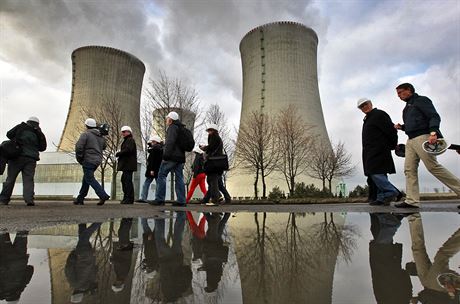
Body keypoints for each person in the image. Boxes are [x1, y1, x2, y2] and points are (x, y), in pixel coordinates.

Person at [394, 83, 460, 208]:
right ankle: (411, 201)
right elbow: (413, 124)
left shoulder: (421, 100)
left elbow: (434, 116)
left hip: (423, 137)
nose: (399, 96)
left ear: (409, 90)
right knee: (409, 170)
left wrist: (433, 132)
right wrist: (402, 127)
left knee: (433, 167)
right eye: (397, 93)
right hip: (410, 140)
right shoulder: (406, 108)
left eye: (400, 92)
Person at [406, 213, 460, 303]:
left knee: (418, 250)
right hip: (439, 288)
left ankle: (413, 217)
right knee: (442, 255)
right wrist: (453, 293)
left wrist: (418, 299)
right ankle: (413, 217)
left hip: (426, 285)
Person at [357, 98, 401, 206]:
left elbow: (391, 130)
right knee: (379, 172)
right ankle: (382, 198)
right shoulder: (368, 118)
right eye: (361, 106)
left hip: (379, 149)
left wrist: (392, 145)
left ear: (370, 103)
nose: (364, 107)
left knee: (375, 172)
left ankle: (391, 192)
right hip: (370, 151)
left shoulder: (379, 114)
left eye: (365, 104)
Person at [0, 116, 46, 206]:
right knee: (28, 180)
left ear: (28, 121)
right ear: (38, 124)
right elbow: (43, 148)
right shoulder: (39, 133)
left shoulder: (21, 127)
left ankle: (3, 199)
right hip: (31, 159)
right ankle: (29, 200)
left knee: (10, 179)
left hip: (17, 157)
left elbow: (9, 134)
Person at [368, 213, 412, 303]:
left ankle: (383, 217)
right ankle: (390, 223)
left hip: (391, 268)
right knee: (381, 246)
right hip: (385, 270)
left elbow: (407, 286)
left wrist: (404, 274)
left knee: (380, 241)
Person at [149, 111, 186, 207]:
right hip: (180, 157)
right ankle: (181, 200)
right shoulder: (181, 128)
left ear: (171, 119)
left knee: (161, 175)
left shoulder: (172, 128)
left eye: (167, 118)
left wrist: (165, 155)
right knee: (179, 178)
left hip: (172, 156)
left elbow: (170, 142)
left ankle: (160, 199)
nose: (166, 120)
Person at [74, 118, 110, 206]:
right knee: (86, 178)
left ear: (87, 126)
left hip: (88, 159)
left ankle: (103, 195)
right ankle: (80, 199)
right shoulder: (101, 136)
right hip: (97, 160)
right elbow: (104, 147)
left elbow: (79, 147)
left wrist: (79, 158)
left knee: (89, 178)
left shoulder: (85, 134)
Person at [65, 223, 100, 303]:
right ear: (74, 293)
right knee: (85, 236)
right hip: (81, 255)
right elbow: (68, 268)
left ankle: (82, 221)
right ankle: (99, 222)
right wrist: (72, 255)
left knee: (82, 236)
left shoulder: (89, 284)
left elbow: (95, 269)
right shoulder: (74, 283)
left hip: (90, 255)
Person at [200, 124, 230, 206]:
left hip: (214, 164)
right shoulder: (217, 138)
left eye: (210, 130)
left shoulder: (214, 137)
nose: (209, 132)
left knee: (212, 182)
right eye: (208, 130)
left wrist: (204, 148)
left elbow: (211, 147)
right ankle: (227, 198)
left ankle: (215, 200)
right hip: (218, 164)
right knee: (218, 183)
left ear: (214, 130)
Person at [0, 231, 34, 303]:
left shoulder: (21, 286)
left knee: (22, 234)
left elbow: (30, 269)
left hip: (19, 259)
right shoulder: (1, 291)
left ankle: (24, 222)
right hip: (4, 260)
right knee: (3, 234)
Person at [137, 136, 163, 203]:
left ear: (155, 142)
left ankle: (143, 197)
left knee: (146, 183)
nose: (151, 143)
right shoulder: (160, 149)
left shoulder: (155, 149)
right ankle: (158, 198)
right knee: (158, 184)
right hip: (158, 169)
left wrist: (152, 170)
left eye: (152, 142)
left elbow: (152, 160)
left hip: (153, 169)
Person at [116, 126, 137, 204]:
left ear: (129, 132)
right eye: (122, 132)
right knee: (124, 180)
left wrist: (119, 153)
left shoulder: (130, 140)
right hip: (127, 164)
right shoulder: (127, 140)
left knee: (127, 181)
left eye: (124, 132)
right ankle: (127, 197)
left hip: (128, 165)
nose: (123, 133)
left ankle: (128, 198)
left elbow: (128, 150)